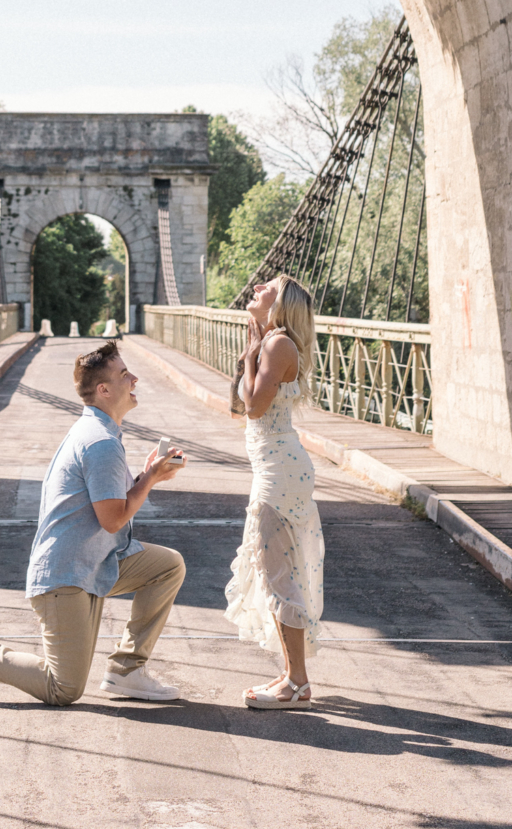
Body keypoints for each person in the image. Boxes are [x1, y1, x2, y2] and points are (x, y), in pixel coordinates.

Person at [0, 341, 189, 705]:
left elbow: (109, 501)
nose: (135, 378)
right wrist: (151, 479)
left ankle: (127, 671)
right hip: (65, 577)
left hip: (95, 564)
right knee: (62, 688)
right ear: (104, 389)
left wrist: (145, 474)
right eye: (125, 374)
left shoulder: (98, 432)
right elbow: (112, 520)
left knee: (167, 566)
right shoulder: (100, 442)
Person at [225, 275, 326, 709]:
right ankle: (290, 675)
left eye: (265, 286)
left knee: (278, 575)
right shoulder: (271, 342)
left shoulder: (278, 344)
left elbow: (253, 406)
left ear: (279, 301)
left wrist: (253, 356)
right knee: (277, 571)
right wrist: (250, 354)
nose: (256, 288)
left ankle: (297, 684)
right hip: (275, 469)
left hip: (279, 473)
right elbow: (236, 405)